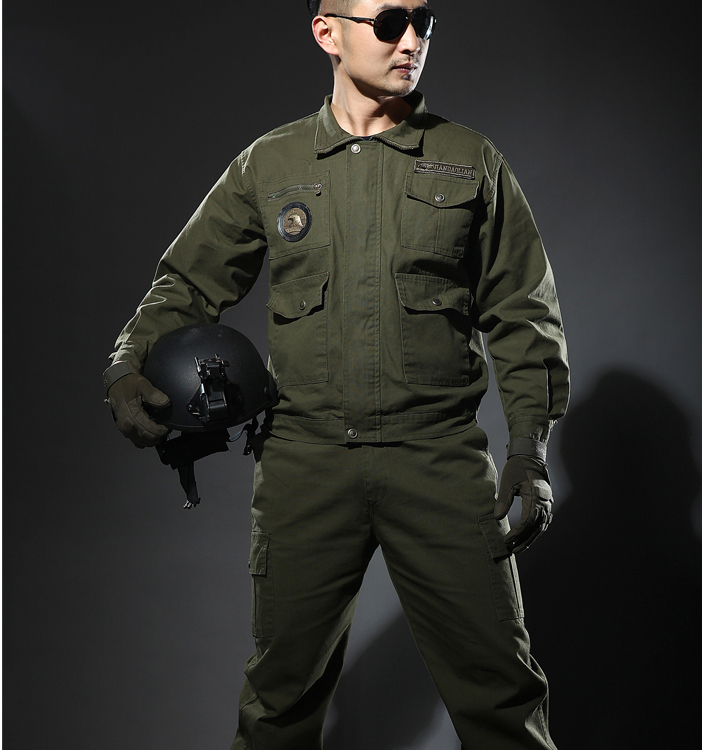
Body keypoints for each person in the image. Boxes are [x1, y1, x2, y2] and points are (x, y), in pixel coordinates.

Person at [103, 1, 570, 747]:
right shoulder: (272, 164)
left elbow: (522, 312)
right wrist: (127, 368)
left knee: (502, 697)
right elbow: (186, 284)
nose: (410, 40)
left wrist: (529, 449)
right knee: (279, 705)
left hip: (439, 462)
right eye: (388, 23)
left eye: (423, 21)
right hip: (306, 466)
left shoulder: (470, 160)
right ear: (329, 32)